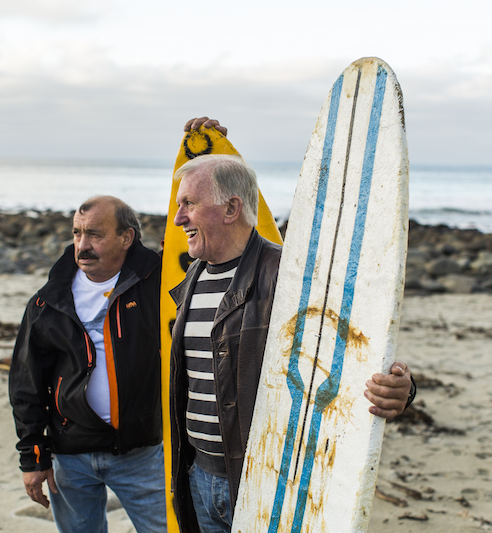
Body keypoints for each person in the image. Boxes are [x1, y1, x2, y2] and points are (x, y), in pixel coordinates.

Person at [168, 137, 416, 533]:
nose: (178, 217)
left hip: (263, 478)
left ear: (231, 208)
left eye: (189, 204)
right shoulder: (192, 278)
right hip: (197, 473)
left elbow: (350, 352)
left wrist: (402, 388)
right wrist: (207, 139)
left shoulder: (290, 275)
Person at [9, 195, 167, 533]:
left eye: (94, 234)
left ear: (127, 237)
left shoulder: (158, 283)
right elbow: (27, 384)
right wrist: (33, 457)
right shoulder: (48, 300)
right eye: (77, 233)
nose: (82, 245)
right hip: (71, 456)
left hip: (142, 454)